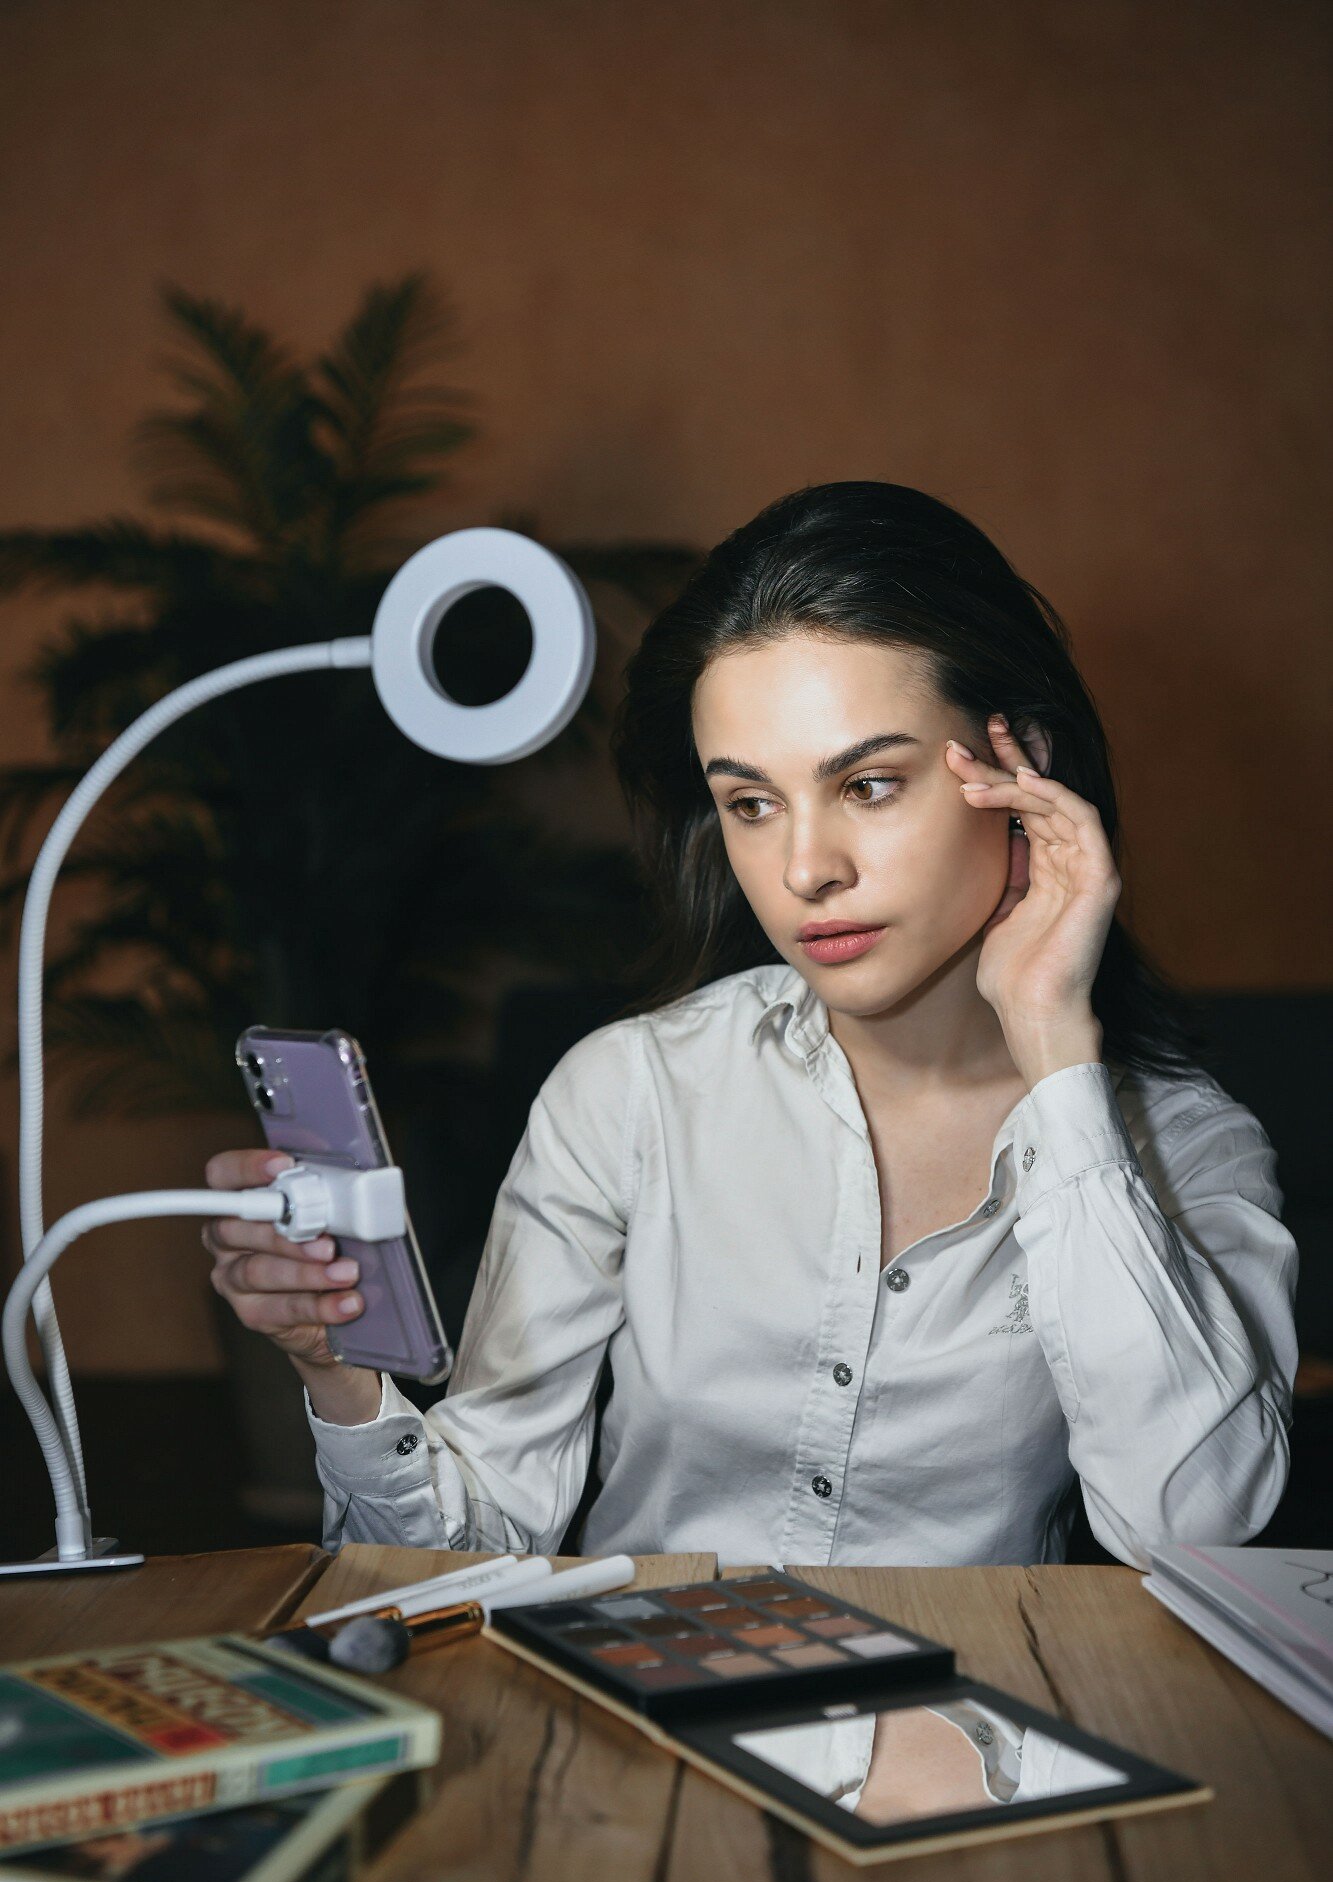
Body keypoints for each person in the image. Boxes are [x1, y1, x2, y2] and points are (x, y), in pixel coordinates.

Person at [201, 482, 1299, 1569]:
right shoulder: (630, 1095)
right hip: (645, 1717)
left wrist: (1058, 1060)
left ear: (1022, 770)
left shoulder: (1183, 1146)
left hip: (968, 1729)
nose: (804, 868)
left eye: (868, 784)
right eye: (750, 803)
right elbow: (469, 1548)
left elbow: (1187, 1531)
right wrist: (334, 1371)